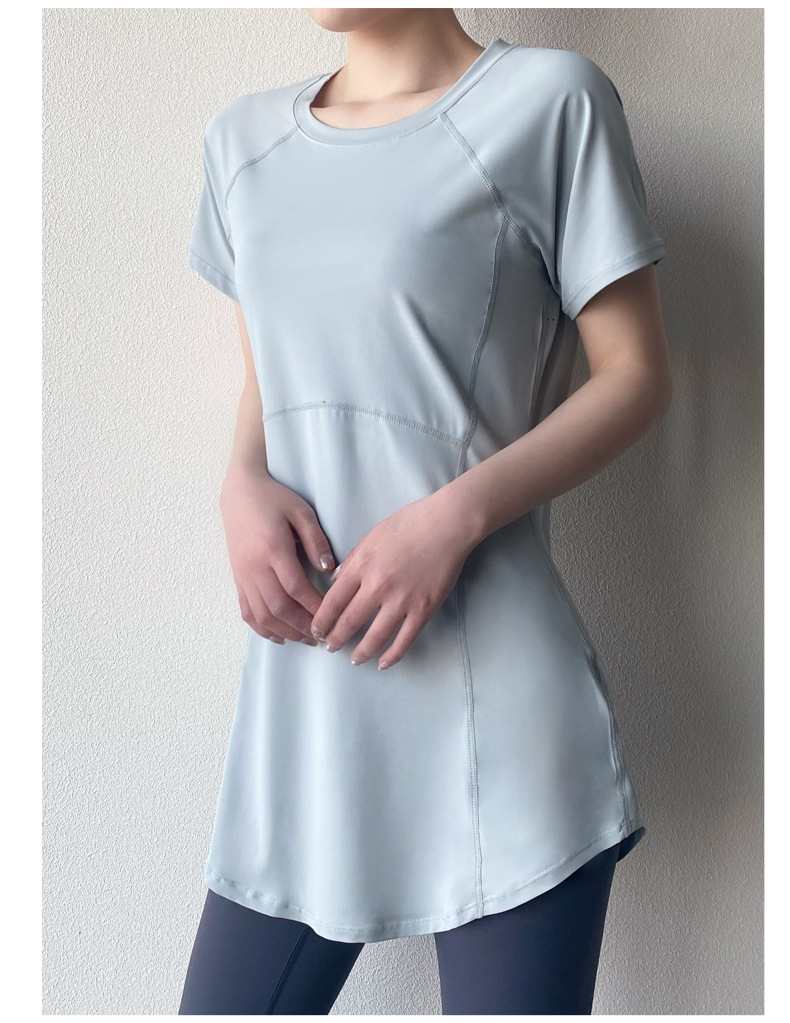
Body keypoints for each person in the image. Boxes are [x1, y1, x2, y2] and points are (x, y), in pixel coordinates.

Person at [178, 7, 671, 1015]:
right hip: (308, 704)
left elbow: (635, 377)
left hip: (500, 710)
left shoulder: (550, 103)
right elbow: (274, 371)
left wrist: (449, 518)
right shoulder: (241, 142)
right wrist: (239, 481)